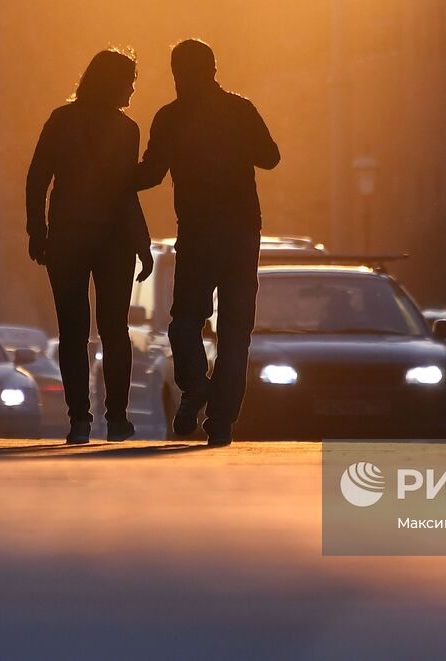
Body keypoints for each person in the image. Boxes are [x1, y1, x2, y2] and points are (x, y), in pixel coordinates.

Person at [137, 38, 280, 447]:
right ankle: (221, 419)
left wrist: (108, 177)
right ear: (214, 69)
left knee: (185, 321)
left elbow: (150, 173)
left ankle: (196, 388)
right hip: (239, 234)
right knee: (235, 330)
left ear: (178, 73)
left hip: (198, 234)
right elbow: (270, 157)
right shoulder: (240, 109)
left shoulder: (170, 117)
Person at [27, 48, 153, 445]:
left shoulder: (61, 121)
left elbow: (37, 178)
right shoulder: (126, 129)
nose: (134, 87)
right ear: (114, 82)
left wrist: (38, 230)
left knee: (72, 331)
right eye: (130, 79)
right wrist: (141, 241)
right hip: (113, 240)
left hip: (67, 237)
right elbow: (125, 191)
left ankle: (79, 420)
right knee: (115, 330)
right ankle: (116, 419)